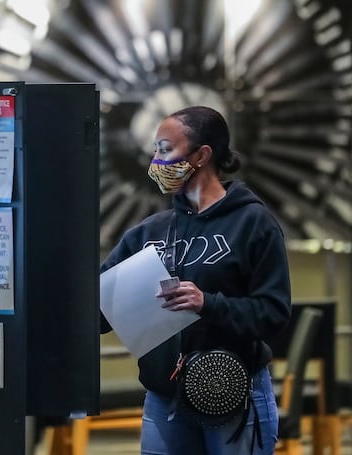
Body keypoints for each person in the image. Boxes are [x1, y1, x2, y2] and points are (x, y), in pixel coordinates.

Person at [100, 106, 291, 455]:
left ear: (202, 155)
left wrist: (208, 303)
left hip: (230, 391)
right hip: (163, 398)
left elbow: (274, 313)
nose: (156, 160)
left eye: (164, 148)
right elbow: (97, 311)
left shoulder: (253, 223)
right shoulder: (148, 233)